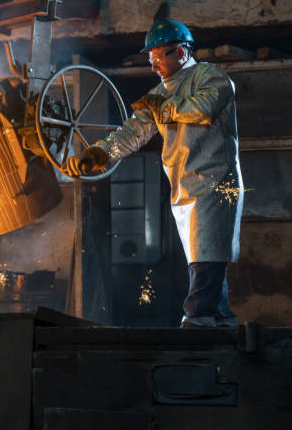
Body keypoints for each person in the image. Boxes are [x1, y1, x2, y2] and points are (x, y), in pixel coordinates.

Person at [65, 18, 243, 328]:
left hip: (215, 181)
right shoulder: (159, 93)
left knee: (207, 254)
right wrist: (100, 153)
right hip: (184, 184)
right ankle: (221, 317)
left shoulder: (212, 77)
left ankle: (199, 317)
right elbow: (133, 131)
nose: (153, 65)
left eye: (158, 56)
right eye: (151, 58)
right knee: (201, 256)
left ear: (182, 53)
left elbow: (202, 109)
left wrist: (163, 107)